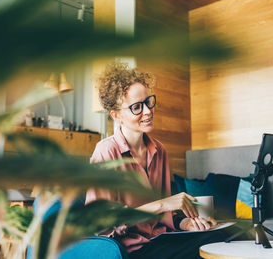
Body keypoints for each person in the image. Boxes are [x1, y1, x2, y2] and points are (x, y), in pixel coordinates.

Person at [86, 62, 230, 259]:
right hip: (131, 250)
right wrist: (162, 204)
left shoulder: (159, 150)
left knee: (223, 236)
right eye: (137, 107)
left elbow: (164, 219)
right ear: (117, 115)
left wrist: (185, 223)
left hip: (161, 240)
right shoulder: (106, 152)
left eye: (148, 102)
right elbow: (100, 224)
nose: (147, 111)